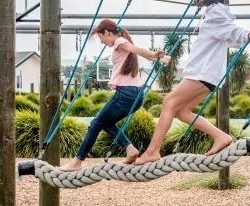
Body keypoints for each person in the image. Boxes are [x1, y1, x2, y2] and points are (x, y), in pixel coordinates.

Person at [135, 0, 250, 165]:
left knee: (169, 102)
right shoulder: (211, 13)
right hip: (206, 75)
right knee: (181, 111)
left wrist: (246, 35)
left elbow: (231, 31)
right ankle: (221, 137)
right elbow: (227, 34)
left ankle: (152, 151)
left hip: (202, 72)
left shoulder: (215, 13)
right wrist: (244, 35)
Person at [59, 20, 169, 171]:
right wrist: (156, 57)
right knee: (106, 123)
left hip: (125, 94)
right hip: (136, 95)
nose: (102, 42)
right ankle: (130, 149)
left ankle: (77, 161)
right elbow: (138, 52)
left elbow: (135, 49)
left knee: (95, 124)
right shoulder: (123, 43)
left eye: (101, 38)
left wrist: (153, 54)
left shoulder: (119, 42)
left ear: (107, 33)